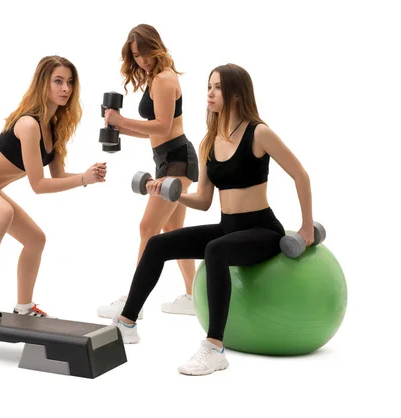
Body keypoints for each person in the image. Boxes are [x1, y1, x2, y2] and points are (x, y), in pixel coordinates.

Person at [110, 63, 315, 376]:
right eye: (209, 86)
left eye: (218, 87)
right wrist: (168, 192)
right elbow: (204, 201)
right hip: (227, 227)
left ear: (236, 93)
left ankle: (214, 347)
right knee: (158, 244)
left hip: (262, 229)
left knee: (215, 250)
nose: (210, 92)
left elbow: (300, 175)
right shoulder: (209, 141)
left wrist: (305, 226)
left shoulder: (259, 132)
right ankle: (127, 323)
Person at [0, 55, 106, 319]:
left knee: (35, 240)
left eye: (70, 82)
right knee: (2, 212)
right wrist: (83, 180)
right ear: (43, 84)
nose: (65, 88)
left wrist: (87, 176)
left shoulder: (55, 129)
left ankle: (24, 307)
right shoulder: (29, 124)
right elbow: (38, 185)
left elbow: (59, 175)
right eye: (58, 81)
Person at [97, 24, 199, 320]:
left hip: (177, 161)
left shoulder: (164, 80)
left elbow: (163, 127)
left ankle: (134, 302)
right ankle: (194, 297)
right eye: (135, 55)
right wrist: (121, 128)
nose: (141, 60)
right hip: (167, 159)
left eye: (143, 53)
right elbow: (156, 133)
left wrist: (122, 118)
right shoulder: (156, 78)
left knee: (147, 229)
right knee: (174, 231)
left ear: (156, 46)